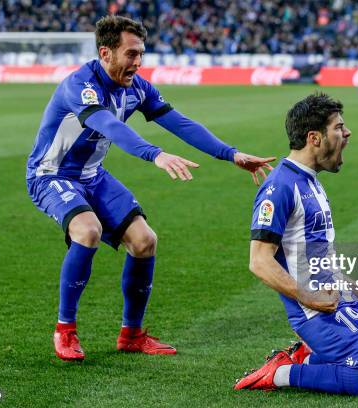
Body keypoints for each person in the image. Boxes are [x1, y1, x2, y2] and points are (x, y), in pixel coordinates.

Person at [26, 15, 274, 362]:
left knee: (145, 241)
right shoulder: (80, 86)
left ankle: (132, 334)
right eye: (131, 54)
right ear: (106, 52)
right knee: (88, 230)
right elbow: (108, 125)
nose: (138, 62)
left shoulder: (137, 88)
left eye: (141, 54)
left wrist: (230, 154)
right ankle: (65, 329)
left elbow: (180, 123)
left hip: (92, 175)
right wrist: (154, 154)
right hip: (51, 175)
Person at [234, 93, 358, 398]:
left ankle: (308, 357)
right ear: (314, 138)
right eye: (339, 127)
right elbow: (259, 261)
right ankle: (283, 373)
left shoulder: (312, 182)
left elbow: (322, 260)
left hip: (342, 300)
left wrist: (356, 289)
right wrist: (306, 295)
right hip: (315, 314)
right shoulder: (280, 187)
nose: (347, 132)